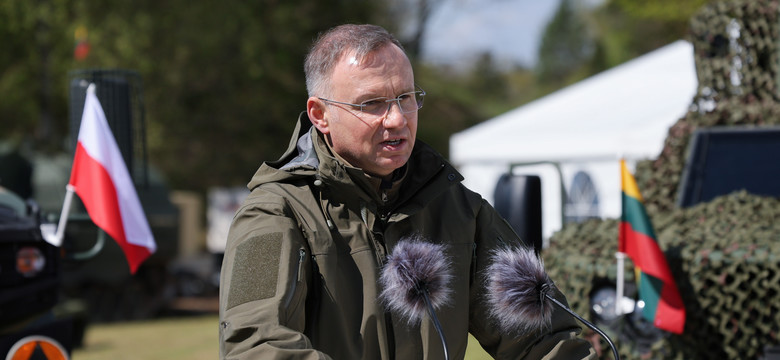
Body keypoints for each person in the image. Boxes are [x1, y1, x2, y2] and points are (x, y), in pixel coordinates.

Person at [219, 24, 596, 359]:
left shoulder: (458, 209)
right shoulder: (275, 213)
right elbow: (255, 345)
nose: (397, 119)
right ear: (320, 114)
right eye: (372, 104)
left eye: (406, 97)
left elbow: (540, 339)